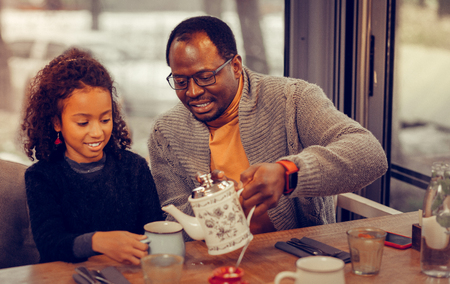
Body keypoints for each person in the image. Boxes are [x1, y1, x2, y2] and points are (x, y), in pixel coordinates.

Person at [149, 16, 388, 239]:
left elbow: (370, 154)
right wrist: (214, 203)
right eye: (180, 81)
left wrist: (288, 174)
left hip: (300, 254)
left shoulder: (292, 99)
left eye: (205, 77)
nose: (193, 92)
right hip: (216, 262)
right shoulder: (166, 132)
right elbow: (173, 217)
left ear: (235, 65)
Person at [21, 48, 163, 265]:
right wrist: (97, 242)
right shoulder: (42, 177)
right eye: (83, 123)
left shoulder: (135, 168)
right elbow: (50, 245)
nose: (97, 132)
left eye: (105, 119)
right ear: (57, 122)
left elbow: (154, 231)